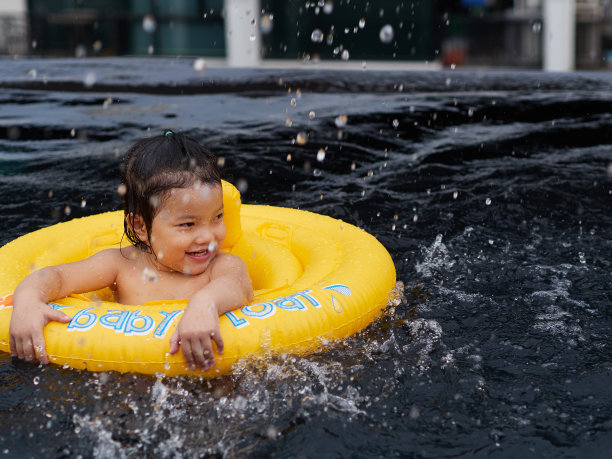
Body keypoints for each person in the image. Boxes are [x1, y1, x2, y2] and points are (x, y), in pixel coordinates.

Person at [9, 130, 253, 371]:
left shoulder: (222, 266)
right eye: (188, 224)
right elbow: (56, 277)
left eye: (217, 217)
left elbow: (237, 286)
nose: (208, 236)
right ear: (141, 227)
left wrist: (205, 304)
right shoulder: (120, 266)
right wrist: (29, 301)